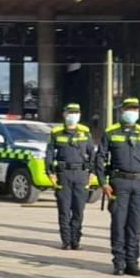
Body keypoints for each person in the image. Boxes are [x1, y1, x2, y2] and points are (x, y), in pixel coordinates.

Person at [97, 97, 140, 276]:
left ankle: (132, 262)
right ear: (121, 111)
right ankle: (119, 262)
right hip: (119, 183)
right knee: (119, 223)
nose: (131, 112)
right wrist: (103, 182)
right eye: (128, 109)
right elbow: (100, 158)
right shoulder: (111, 132)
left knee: (135, 225)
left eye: (134, 109)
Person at [46, 103, 95, 251]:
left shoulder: (85, 133)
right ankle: (66, 241)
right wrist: (50, 173)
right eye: (70, 112)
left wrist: (92, 173)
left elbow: (92, 154)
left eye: (75, 113)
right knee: (64, 209)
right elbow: (49, 154)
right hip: (63, 174)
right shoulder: (56, 133)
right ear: (64, 114)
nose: (73, 115)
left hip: (81, 174)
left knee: (79, 209)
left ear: (79, 115)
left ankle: (76, 241)